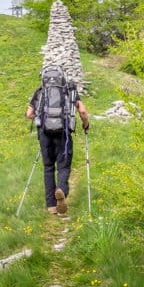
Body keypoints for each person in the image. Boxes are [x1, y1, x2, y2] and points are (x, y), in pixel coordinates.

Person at [26, 79, 90, 215]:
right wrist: (86, 125)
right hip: (63, 134)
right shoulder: (70, 91)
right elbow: (83, 112)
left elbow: (29, 114)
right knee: (63, 166)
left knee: (48, 168)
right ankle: (61, 190)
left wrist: (43, 120)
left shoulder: (40, 91)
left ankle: (51, 206)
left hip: (44, 134)